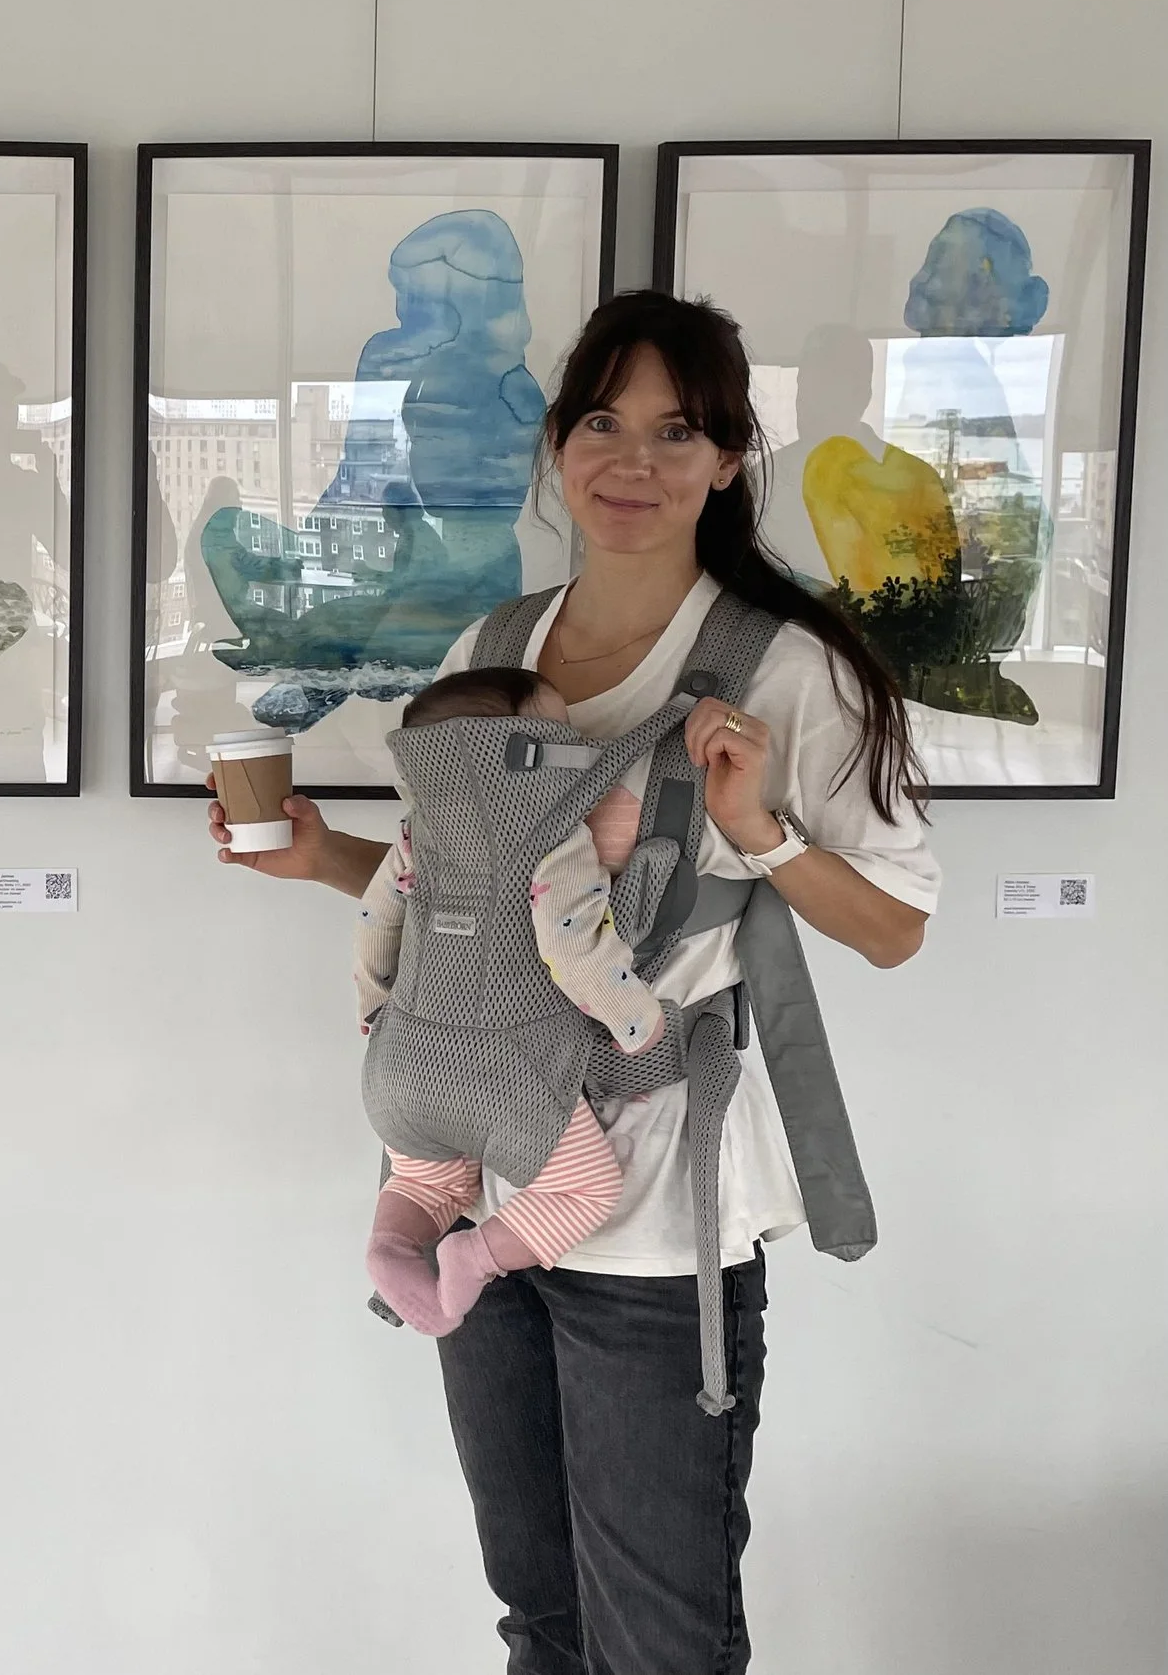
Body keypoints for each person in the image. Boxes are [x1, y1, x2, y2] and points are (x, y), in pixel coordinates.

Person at [209, 290, 937, 1675]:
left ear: (729, 460)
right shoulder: (491, 649)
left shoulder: (786, 669)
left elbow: (895, 925)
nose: (634, 460)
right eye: (603, 419)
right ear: (557, 442)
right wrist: (317, 856)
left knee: (659, 1637)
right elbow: (464, 889)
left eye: (679, 430)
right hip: (482, 1181)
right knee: (538, 1613)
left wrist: (762, 831)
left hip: (656, 1213)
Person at [354, 666, 658, 1340]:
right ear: (526, 752)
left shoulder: (416, 834)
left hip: (400, 1064)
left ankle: (392, 1246)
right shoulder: (553, 838)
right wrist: (638, 1026)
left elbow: (376, 923)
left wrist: (373, 1009)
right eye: (561, 728)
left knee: (424, 1187)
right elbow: (572, 949)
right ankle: (475, 1253)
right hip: (504, 1075)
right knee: (582, 1189)